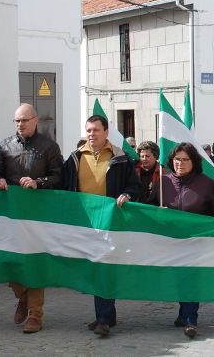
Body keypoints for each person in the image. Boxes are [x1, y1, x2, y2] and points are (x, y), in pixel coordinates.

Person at [0, 103, 64, 334]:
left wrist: (37, 183)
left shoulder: (49, 146)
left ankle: (35, 315)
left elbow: (59, 176)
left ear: (35, 121)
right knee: (9, 262)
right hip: (11, 215)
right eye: (17, 121)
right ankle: (22, 296)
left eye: (24, 120)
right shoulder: (5, 145)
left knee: (34, 263)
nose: (20, 124)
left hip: (37, 215)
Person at [63, 115, 140, 337]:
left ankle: (103, 318)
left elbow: (135, 186)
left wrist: (127, 194)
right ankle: (106, 315)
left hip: (110, 224)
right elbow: (62, 185)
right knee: (96, 269)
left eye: (96, 130)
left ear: (106, 132)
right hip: (85, 224)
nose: (91, 134)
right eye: (88, 130)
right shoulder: (75, 157)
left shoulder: (120, 158)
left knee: (104, 268)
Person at [149, 143, 214, 338]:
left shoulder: (206, 183)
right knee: (179, 278)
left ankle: (191, 319)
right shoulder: (163, 183)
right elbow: (148, 207)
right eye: (177, 160)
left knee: (191, 278)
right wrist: (157, 212)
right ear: (171, 161)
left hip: (196, 242)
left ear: (194, 162)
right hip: (171, 241)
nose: (180, 163)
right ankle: (184, 312)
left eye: (185, 160)